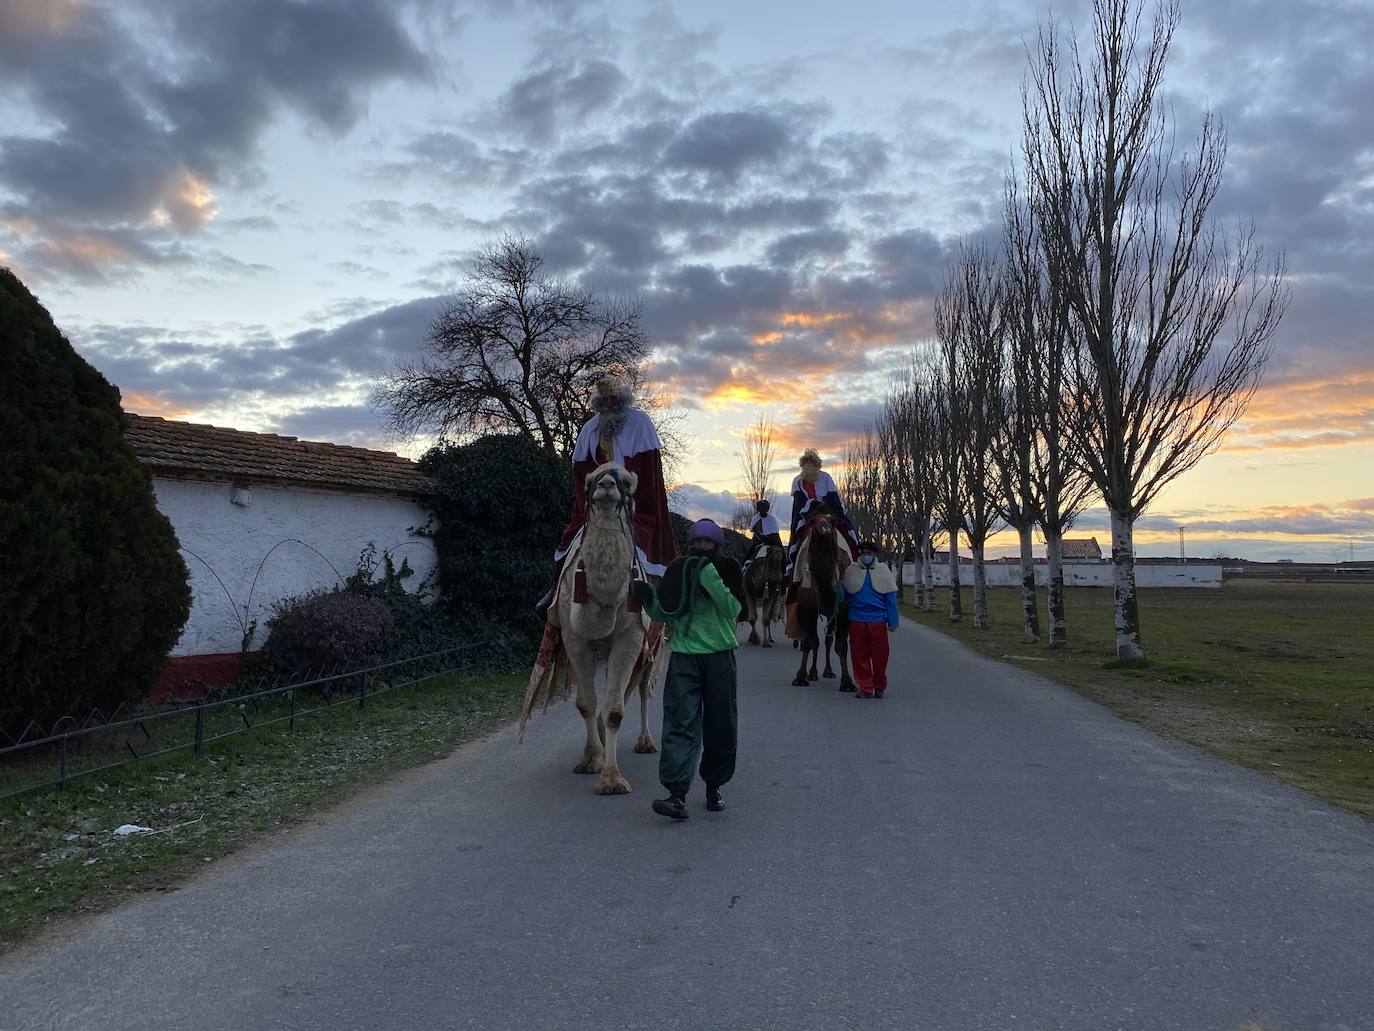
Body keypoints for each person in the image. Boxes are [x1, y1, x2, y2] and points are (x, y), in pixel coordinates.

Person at [535, 375, 678, 619]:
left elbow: (648, 473)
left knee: (642, 547)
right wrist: (589, 501)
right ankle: (556, 594)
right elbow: (581, 473)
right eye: (605, 401)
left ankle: (656, 605)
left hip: (631, 500)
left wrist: (631, 501)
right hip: (597, 499)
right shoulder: (590, 428)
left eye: (614, 399)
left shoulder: (640, 424)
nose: (609, 404)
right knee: (568, 542)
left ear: (622, 400)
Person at [632, 518, 745, 821]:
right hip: (684, 656)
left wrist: (708, 578)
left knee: (721, 724)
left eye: (707, 544)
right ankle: (676, 795)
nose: (702, 548)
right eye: (697, 543)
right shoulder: (678, 568)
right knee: (680, 722)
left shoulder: (727, 568)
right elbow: (666, 612)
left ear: (717, 546)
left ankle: (713, 786)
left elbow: (734, 609)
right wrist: (647, 599)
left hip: (720, 655)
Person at [841, 539, 899, 699]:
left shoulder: (883, 571)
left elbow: (891, 598)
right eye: (863, 553)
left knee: (880, 655)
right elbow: (844, 596)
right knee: (859, 655)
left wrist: (893, 621)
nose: (866, 556)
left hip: (877, 620)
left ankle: (879, 685)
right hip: (857, 619)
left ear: (874, 554)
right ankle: (866, 687)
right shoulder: (851, 570)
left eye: (869, 553)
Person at [787, 449, 858, 570]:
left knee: (848, 531)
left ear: (817, 464)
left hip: (827, 513)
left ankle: (854, 560)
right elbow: (798, 506)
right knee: (797, 538)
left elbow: (833, 500)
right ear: (803, 465)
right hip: (807, 516)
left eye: (812, 462)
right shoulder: (797, 481)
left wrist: (828, 511)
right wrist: (809, 510)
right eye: (806, 462)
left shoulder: (826, 478)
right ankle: (793, 570)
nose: (809, 465)